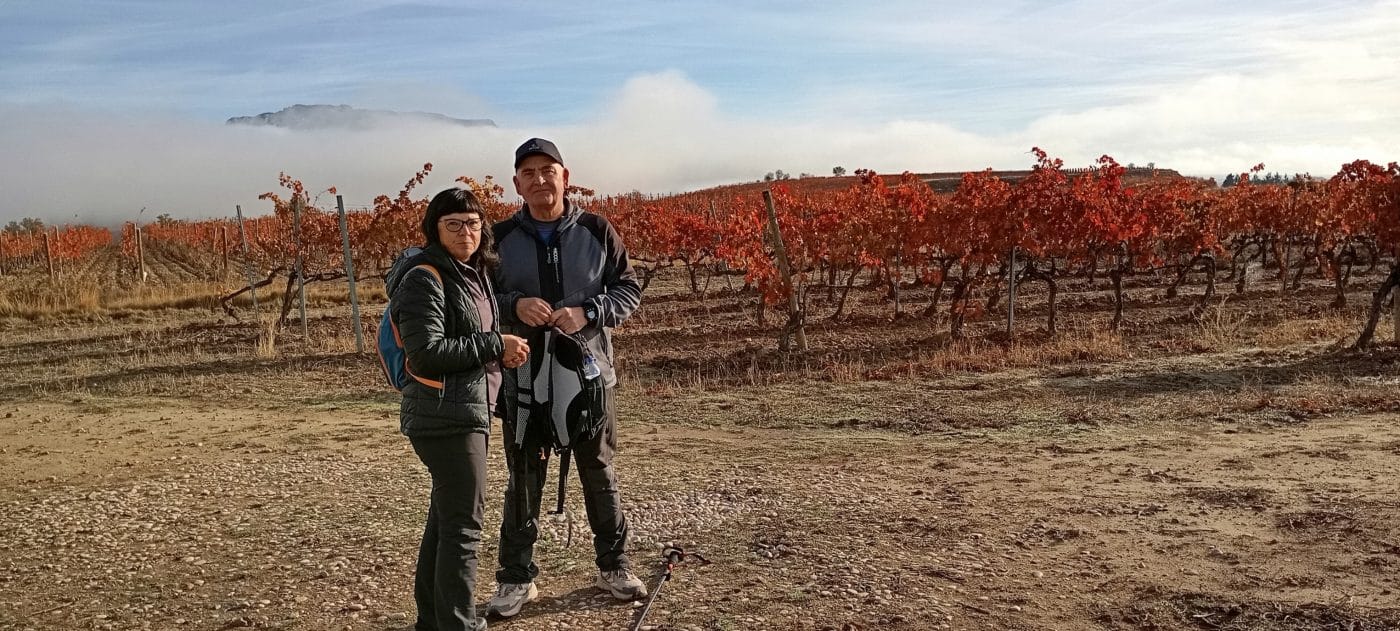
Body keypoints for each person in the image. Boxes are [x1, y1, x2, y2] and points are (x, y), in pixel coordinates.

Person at [485, 138, 646, 618]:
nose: (539, 179)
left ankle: (614, 566)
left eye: (547, 170)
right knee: (524, 476)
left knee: (598, 469)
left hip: (591, 377)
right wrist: (514, 305)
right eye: (528, 172)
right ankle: (516, 578)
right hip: (524, 376)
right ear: (517, 183)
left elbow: (629, 287)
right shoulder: (497, 238)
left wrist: (589, 311)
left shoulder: (598, 230)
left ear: (565, 176)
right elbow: (483, 295)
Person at [387, 188, 530, 631]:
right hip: (444, 415)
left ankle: (433, 619)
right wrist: (495, 345)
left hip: (465, 409)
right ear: (435, 229)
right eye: (453, 224)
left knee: (446, 519)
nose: (465, 232)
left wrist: (500, 355)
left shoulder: (472, 273)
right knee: (464, 529)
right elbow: (426, 353)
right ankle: (459, 624)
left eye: (472, 223)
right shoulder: (424, 278)